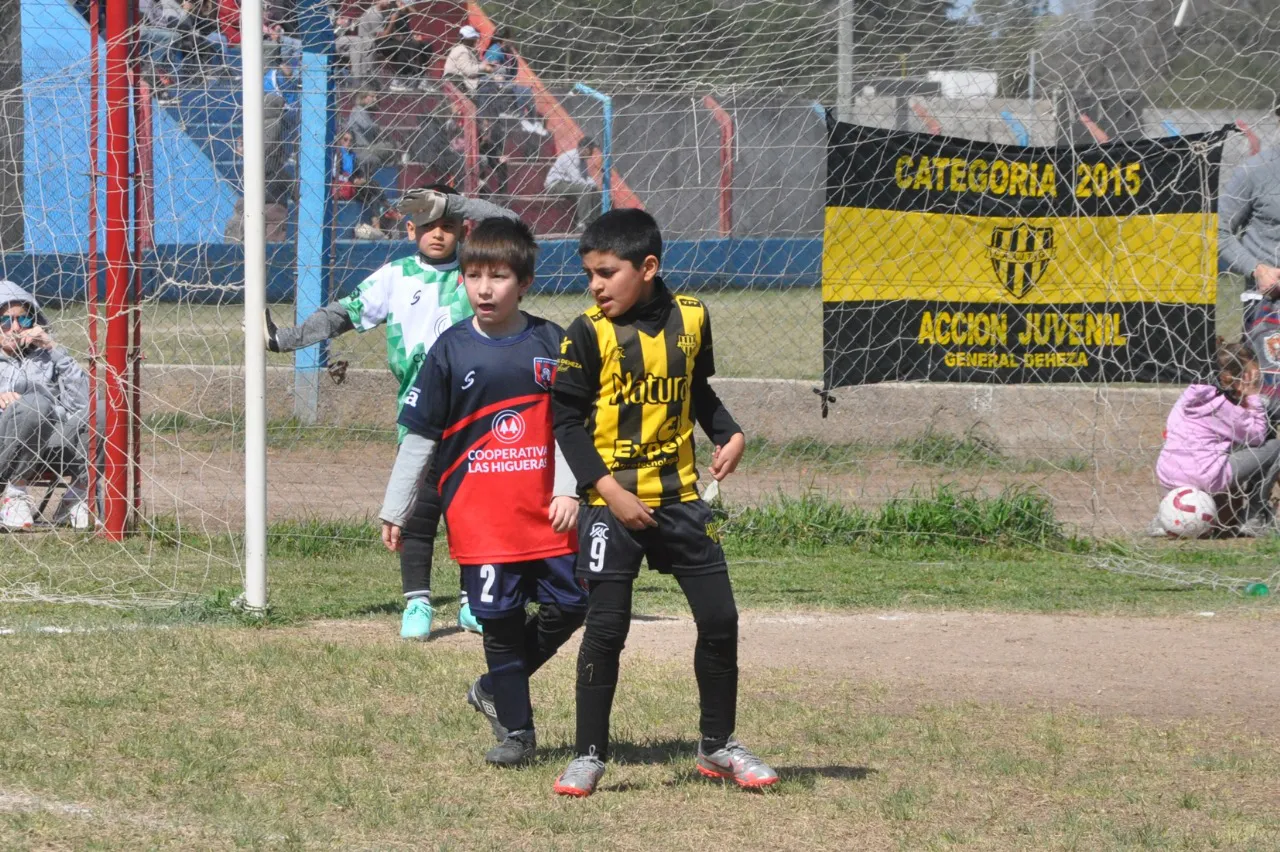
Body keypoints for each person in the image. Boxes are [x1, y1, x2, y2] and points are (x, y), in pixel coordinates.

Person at [549, 209, 777, 796]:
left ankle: (717, 747)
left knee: (721, 619)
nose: (594, 286)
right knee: (606, 627)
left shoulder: (694, 318)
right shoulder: (585, 332)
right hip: (611, 506)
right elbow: (566, 423)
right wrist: (608, 492)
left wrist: (729, 431)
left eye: (606, 273)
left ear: (647, 268)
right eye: (589, 274)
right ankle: (589, 754)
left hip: (682, 501)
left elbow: (698, 391)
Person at [264, 187, 518, 638]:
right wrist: (288, 338)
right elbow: (343, 313)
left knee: (471, 512)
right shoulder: (395, 277)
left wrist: (452, 203)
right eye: (426, 225)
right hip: (420, 414)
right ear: (409, 229)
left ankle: (469, 602)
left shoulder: (478, 273)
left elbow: (512, 223)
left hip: (477, 415)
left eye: (447, 224)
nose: (437, 234)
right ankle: (417, 604)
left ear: (463, 227)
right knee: (420, 510)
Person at [380, 217, 587, 766]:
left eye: (498, 276)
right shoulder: (449, 351)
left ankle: (495, 686)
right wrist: (395, 506)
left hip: (548, 513)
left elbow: (571, 426)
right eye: (473, 276)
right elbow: (421, 434)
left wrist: (569, 489)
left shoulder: (552, 341)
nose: (485, 288)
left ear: (524, 282)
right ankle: (517, 732)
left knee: (572, 603)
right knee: (497, 620)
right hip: (481, 517)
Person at [1156, 338, 1280, 536]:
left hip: (1168, 473)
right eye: (1254, 379)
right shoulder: (1225, 407)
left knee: (1225, 450)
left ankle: (1162, 518)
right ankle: (1255, 515)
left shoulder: (1191, 393)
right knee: (1275, 447)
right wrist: (1254, 396)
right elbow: (1256, 436)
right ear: (1234, 379)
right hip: (1206, 476)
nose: (1257, 383)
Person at [0, 282, 92, 531]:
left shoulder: (48, 358)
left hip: (49, 442)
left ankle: (76, 498)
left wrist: (53, 349)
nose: (16, 328)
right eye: (6, 321)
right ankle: (14, 494)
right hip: (4, 446)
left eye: (24, 320)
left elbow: (83, 404)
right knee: (34, 404)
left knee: (104, 411)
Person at [544, 138, 602, 231]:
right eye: (590, 149)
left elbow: (586, 177)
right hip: (556, 184)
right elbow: (577, 180)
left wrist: (595, 186)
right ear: (583, 149)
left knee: (595, 191)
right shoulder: (570, 157)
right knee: (585, 190)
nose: (592, 152)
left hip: (569, 184)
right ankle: (582, 223)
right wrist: (590, 186)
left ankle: (594, 221)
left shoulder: (583, 160)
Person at [344, 88, 399, 172]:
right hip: (360, 149)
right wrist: (379, 129)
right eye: (372, 96)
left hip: (368, 148)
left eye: (377, 97)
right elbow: (367, 126)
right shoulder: (358, 110)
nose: (376, 100)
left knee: (393, 145)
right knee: (391, 146)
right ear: (363, 98)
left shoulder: (367, 113)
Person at [443, 25, 492, 95]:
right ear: (468, 39)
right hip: (462, 84)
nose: (477, 40)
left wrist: (485, 64)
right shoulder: (462, 51)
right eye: (474, 38)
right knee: (490, 83)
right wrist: (484, 67)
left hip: (462, 83)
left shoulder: (466, 49)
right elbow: (469, 72)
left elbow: (472, 65)